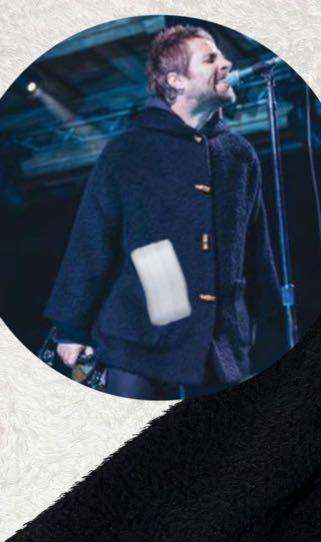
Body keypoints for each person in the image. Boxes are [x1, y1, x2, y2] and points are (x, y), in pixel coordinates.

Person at [47, 24, 281, 399]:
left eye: (222, 56)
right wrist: (71, 327)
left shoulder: (239, 154)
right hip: (137, 337)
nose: (226, 64)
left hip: (218, 340)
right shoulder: (128, 150)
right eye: (210, 58)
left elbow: (255, 245)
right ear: (176, 80)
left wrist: (267, 321)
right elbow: (92, 239)